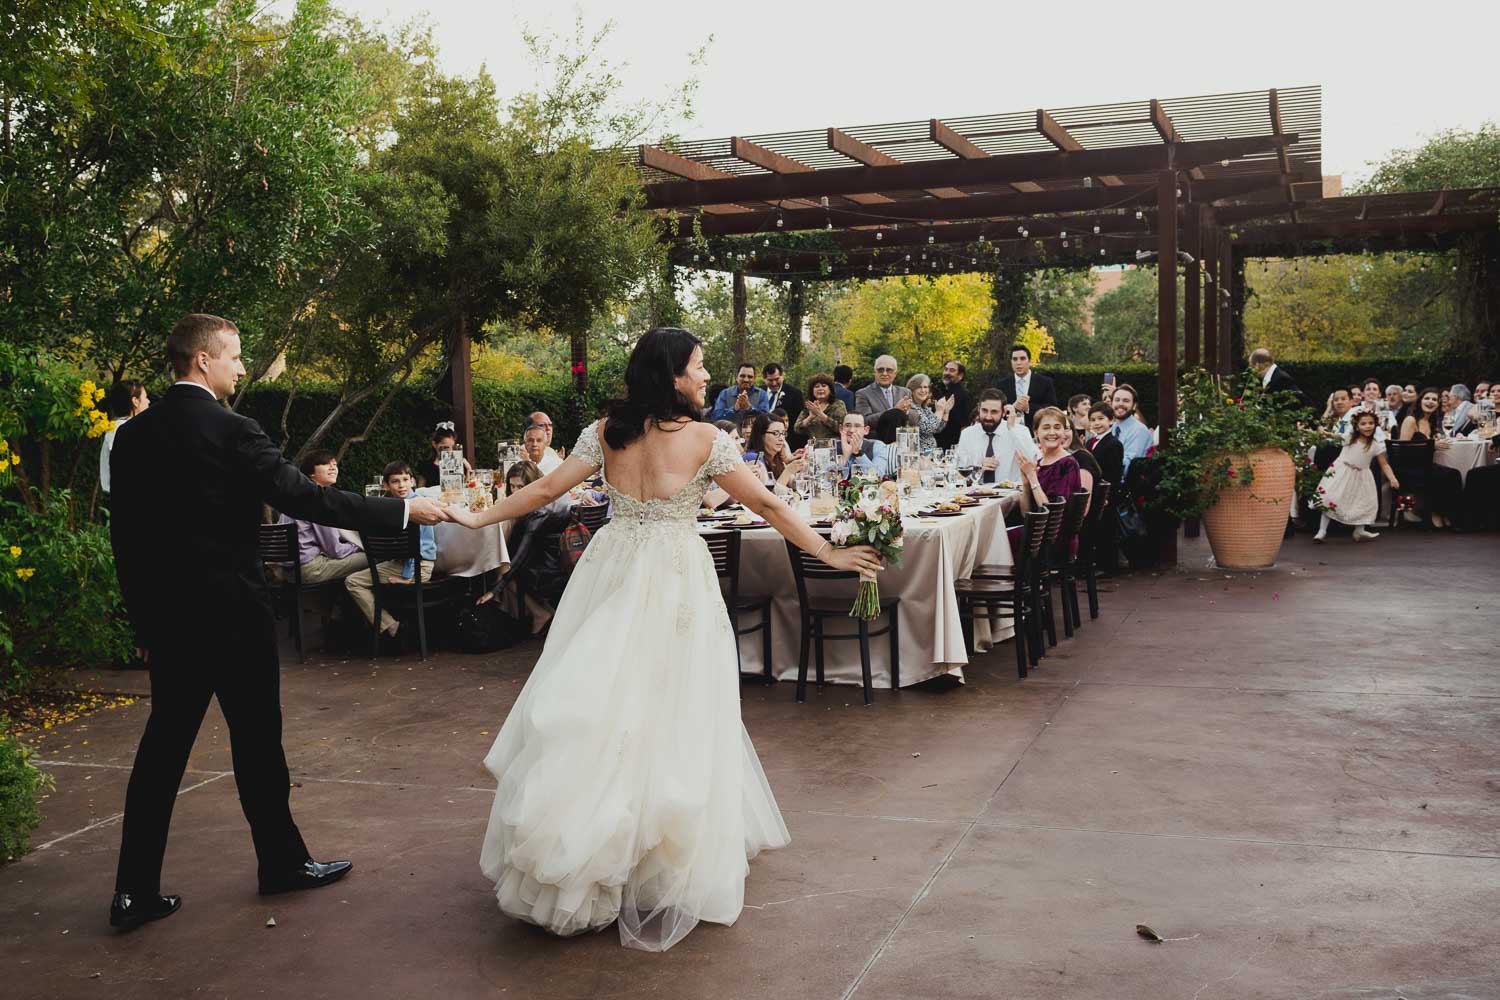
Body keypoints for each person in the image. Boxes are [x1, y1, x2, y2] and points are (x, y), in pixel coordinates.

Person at [445, 327, 880, 951]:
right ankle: (650, 855)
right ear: (673, 374)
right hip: (675, 577)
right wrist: (829, 554)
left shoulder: (605, 432)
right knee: (674, 707)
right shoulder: (709, 439)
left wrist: (476, 515)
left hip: (613, 568)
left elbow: (542, 491)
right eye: (700, 366)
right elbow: (771, 509)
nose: (709, 376)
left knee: (601, 703)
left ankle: (595, 847)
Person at [106, 313, 448, 931]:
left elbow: (124, 541)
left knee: (161, 752)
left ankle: (132, 892)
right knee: (258, 745)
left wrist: (144, 621)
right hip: (235, 617)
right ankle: (281, 865)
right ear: (204, 360)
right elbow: (306, 496)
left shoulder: (132, 437)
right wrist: (400, 509)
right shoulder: (233, 430)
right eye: (235, 356)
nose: (241, 367)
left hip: (170, 623)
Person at [343, 461, 438, 653]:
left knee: (353, 581)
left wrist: (409, 578)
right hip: (398, 564)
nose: (401, 485)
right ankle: (390, 625)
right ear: (386, 485)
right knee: (353, 581)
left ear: (413, 481)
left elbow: (423, 548)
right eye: (395, 481)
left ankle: (390, 627)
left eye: (405, 480)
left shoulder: (419, 506)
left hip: (419, 567)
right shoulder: (390, 506)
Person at [267, 450, 367, 587]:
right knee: (375, 558)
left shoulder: (296, 496)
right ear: (311, 473)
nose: (333, 467)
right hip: (309, 570)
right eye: (326, 464)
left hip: (289, 570)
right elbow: (336, 551)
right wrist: (359, 546)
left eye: (335, 464)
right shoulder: (318, 500)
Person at [1313, 410, 1398, 542]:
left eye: (1371, 423)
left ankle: (1359, 531)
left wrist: (1392, 478)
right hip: (1342, 472)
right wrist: (1323, 432)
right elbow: (1335, 436)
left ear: (1376, 425)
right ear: (1357, 426)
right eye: (1363, 424)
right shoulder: (1350, 438)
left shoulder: (1375, 445)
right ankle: (1322, 530)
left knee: (1363, 502)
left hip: (1362, 476)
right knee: (1331, 498)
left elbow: (1384, 464)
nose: (1368, 426)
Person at [1397, 387, 1463, 528]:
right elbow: (1403, 449)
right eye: (1427, 398)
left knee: (1453, 474)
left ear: (1438, 404)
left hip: (1425, 466)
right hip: (1410, 468)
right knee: (1448, 475)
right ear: (1420, 401)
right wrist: (1432, 445)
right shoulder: (1411, 420)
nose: (1430, 402)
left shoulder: (1432, 422)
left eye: (1434, 399)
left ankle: (1447, 514)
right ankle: (1436, 512)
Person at [955, 389, 1038, 485]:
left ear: (1004, 412)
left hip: (1011, 495)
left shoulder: (1019, 431)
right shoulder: (968, 434)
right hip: (975, 494)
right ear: (978, 409)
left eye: (994, 412)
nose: (988, 417)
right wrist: (978, 467)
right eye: (984, 411)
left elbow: (1035, 460)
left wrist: (1012, 429)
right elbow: (958, 471)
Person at [100, 379, 150, 494]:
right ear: (135, 401)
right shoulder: (122, 430)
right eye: (145, 397)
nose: (148, 401)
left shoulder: (121, 428)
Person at [992, 344, 1057, 430]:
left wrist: (1028, 408)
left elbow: (1052, 408)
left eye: (1022, 358)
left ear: (1029, 361)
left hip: (1036, 430)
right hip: (1008, 430)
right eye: (1015, 359)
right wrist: (1013, 408)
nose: (1018, 363)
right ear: (1011, 362)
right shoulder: (1001, 384)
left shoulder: (1045, 382)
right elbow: (995, 410)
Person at [744, 412, 805, 487]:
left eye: (783, 433)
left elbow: (792, 483)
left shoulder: (776, 458)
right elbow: (769, 494)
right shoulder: (754, 458)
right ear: (761, 435)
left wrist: (804, 470)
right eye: (776, 433)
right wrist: (788, 471)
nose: (782, 438)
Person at [1107, 384, 1153, 477]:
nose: (1120, 404)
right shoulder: (1112, 427)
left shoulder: (1139, 430)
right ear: (1111, 403)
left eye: (1126, 401)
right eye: (1117, 400)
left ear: (1134, 406)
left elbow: (1129, 465)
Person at [1249, 348, 1312, 412]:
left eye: (1252, 367)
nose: (1253, 371)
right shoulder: (1272, 377)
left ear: (1257, 365)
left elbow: (1302, 401)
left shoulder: (1281, 379)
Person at [835, 410, 892, 479]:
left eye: (857, 426)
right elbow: (827, 480)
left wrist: (858, 454)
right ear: (841, 429)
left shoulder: (877, 446)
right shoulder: (832, 447)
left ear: (866, 430)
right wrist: (845, 458)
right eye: (847, 425)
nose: (852, 430)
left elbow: (879, 476)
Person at [905, 374, 953, 451]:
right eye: (919, 387)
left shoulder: (925, 408)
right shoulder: (911, 408)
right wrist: (939, 411)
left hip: (929, 454)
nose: (923, 390)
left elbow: (937, 429)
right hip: (917, 455)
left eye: (925, 387)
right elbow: (929, 428)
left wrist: (946, 412)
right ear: (912, 390)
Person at [417, 422, 472, 489]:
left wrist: (468, 469)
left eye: (452, 447)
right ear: (434, 444)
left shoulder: (458, 464)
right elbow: (419, 490)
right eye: (445, 447)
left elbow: (466, 489)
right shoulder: (426, 466)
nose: (449, 450)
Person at [795, 373, 846, 442]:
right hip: (813, 446)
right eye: (816, 386)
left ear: (830, 389)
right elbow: (797, 429)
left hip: (834, 446)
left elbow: (842, 428)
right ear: (812, 391)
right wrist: (810, 417)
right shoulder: (809, 406)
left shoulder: (838, 404)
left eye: (824, 386)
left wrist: (820, 414)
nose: (820, 388)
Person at [933, 359, 971, 449]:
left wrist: (961, 447)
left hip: (951, 446)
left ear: (960, 375)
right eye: (946, 369)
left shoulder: (962, 394)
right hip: (939, 444)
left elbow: (965, 424)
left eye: (952, 370)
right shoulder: (944, 391)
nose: (947, 373)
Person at [761, 364, 804, 441]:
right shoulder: (759, 392)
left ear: (782, 376)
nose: (774, 383)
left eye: (777, 379)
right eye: (770, 380)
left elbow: (798, 420)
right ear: (764, 379)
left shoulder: (794, 393)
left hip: (787, 439)